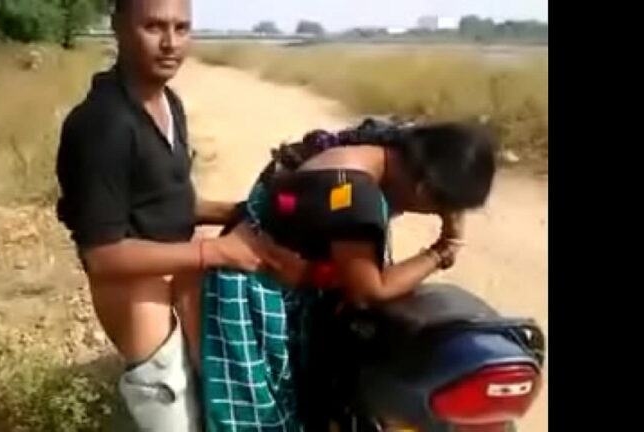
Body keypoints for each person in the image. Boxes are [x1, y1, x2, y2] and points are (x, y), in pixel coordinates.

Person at [55, 0, 300, 429]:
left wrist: (239, 211)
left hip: (182, 288)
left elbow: (163, 202)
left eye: (181, 28)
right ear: (119, 26)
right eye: (154, 27)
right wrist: (216, 252)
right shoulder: (101, 125)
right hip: (141, 304)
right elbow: (103, 255)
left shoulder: (169, 103)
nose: (170, 43)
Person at [196, 118, 497, 430]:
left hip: (265, 282)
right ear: (423, 189)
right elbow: (369, 292)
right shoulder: (354, 195)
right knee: (264, 418)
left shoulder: (365, 148)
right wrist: (442, 250)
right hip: (256, 303)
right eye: (440, 207)